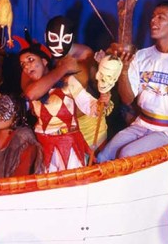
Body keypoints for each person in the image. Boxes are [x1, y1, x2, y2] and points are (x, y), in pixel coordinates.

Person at [97, 1, 168, 162]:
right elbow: (127, 99)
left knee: (126, 154)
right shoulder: (142, 56)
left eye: (160, 17)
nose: (153, 21)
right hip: (141, 124)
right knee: (103, 157)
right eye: (153, 17)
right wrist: (124, 71)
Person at [19, 40, 108, 172]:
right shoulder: (30, 87)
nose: (26, 66)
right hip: (43, 145)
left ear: (44, 61)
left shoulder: (68, 81)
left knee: (73, 181)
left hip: (68, 144)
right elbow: (28, 97)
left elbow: (90, 106)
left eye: (30, 60)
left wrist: (102, 102)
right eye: (23, 64)